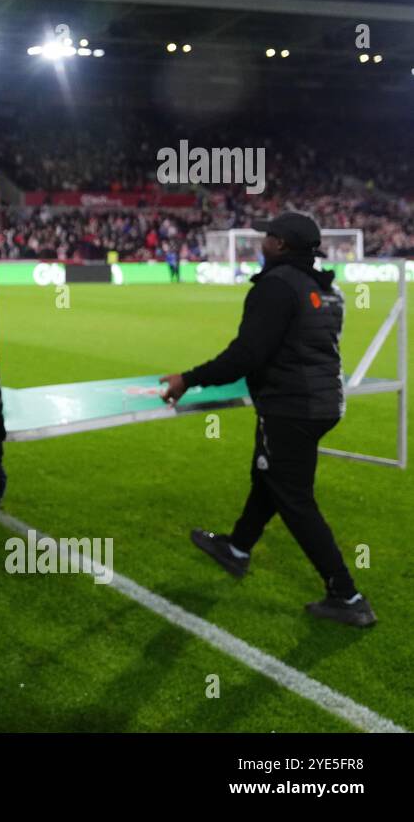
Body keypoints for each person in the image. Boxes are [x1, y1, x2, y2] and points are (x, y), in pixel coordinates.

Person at [160, 211, 373, 627]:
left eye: (269, 236)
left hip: (292, 406)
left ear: (282, 246)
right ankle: (237, 548)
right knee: (269, 476)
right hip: (324, 401)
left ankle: (347, 595)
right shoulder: (326, 288)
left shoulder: (276, 286)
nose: (262, 242)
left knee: (293, 498)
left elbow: (246, 355)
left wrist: (189, 378)